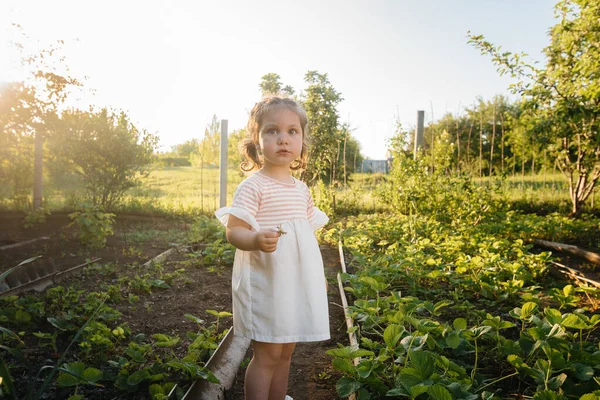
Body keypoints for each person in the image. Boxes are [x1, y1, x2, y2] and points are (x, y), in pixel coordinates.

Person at [215, 96, 330, 400]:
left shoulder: (301, 189)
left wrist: (314, 276)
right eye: (272, 131)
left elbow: (304, 238)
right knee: (267, 354)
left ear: (302, 142)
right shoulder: (254, 186)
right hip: (267, 284)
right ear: (256, 140)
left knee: (286, 351)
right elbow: (234, 230)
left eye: (293, 131)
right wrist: (253, 239)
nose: (283, 138)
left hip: (293, 283)